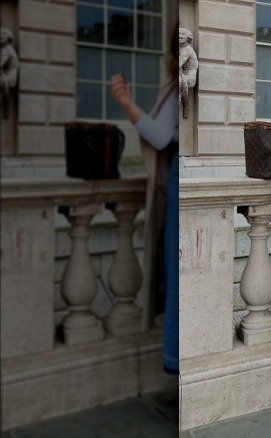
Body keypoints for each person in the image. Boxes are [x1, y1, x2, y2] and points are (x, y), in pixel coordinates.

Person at [110, 26, 179, 375]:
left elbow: (161, 135)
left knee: (177, 272)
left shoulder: (181, 81)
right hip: (181, 176)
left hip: (182, 178)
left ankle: (176, 360)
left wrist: (125, 103)